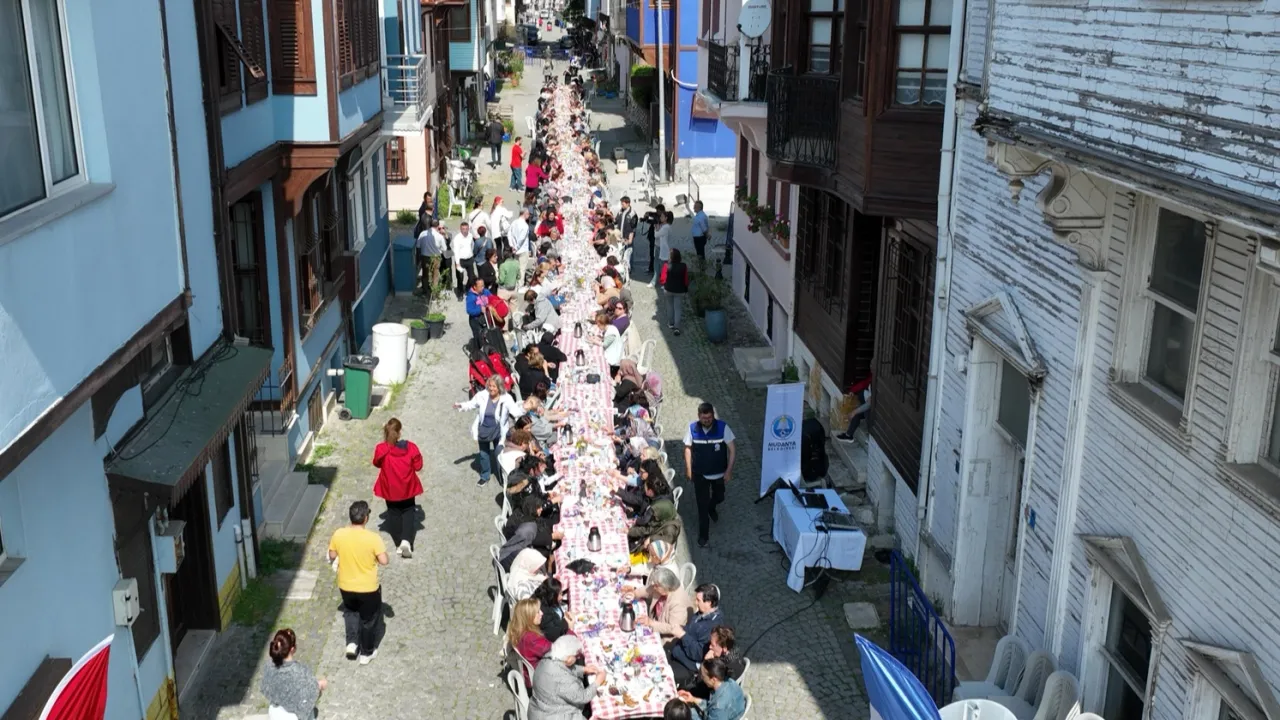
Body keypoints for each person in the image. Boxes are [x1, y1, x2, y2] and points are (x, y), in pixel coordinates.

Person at [327, 501, 389, 664]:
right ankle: (366, 653)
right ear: (366, 518)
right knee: (368, 619)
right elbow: (384, 561)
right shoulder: (373, 538)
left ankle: (352, 643)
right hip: (368, 588)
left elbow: (332, 555)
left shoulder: (339, 534)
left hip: (345, 585)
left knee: (351, 612)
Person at [683, 402, 735, 547]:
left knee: (720, 497)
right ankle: (703, 535)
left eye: (709, 417)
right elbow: (687, 448)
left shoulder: (723, 428)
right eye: (704, 418)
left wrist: (729, 471)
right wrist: (688, 469)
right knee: (702, 505)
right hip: (700, 474)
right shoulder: (692, 428)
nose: (707, 420)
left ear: (713, 415)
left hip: (719, 473)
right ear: (698, 416)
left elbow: (732, 450)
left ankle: (712, 506)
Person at [371, 418, 424, 558]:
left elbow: (376, 463)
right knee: (408, 511)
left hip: (390, 489)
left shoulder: (381, 449)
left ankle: (398, 543)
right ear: (399, 433)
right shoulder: (411, 447)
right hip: (407, 487)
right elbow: (418, 466)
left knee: (393, 513)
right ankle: (406, 541)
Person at [456, 376, 523, 486]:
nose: (491, 388)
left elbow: (516, 411)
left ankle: (502, 476)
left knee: (500, 454)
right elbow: (471, 404)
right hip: (484, 429)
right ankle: (485, 476)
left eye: (494, 386)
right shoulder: (482, 395)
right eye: (489, 386)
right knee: (484, 454)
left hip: (498, 431)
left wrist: (526, 407)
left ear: (499, 387)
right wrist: (461, 405)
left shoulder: (507, 398)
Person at [527, 635, 606, 720]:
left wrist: (583, 669)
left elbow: (564, 667)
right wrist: (598, 681)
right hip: (555, 715)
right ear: (568, 659)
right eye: (576, 656)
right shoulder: (562, 679)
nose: (577, 658)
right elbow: (582, 697)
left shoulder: (548, 659)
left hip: (540, 708)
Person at [667, 584, 725, 686]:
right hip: (679, 652)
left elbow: (698, 653)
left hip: (688, 666)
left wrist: (683, 635)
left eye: (698, 600)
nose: (695, 603)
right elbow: (692, 630)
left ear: (709, 603)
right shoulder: (702, 613)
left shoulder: (711, 627)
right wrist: (682, 628)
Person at [261, 629, 325, 720]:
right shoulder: (300, 671)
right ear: (293, 649)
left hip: (274, 713)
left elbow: (266, 688)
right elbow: (312, 693)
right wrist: (320, 685)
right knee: (309, 710)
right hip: (293, 717)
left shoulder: (269, 666)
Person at [684, 626, 747, 699]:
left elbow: (703, 686)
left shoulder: (725, 669)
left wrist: (706, 663)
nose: (710, 647)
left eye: (713, 645)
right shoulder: (732, 653)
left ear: (724, 648)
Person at [634, 566, 693, 642]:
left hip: (669, 638)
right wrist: (634, 593)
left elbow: (673, 628)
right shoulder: (662, 587)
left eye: (656, 586)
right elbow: (648, 589)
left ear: (666, 588)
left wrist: (651, 623)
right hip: (656, 623)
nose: (654, 587)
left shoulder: (678, 603)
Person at [677, 656, 746, 720]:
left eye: (703, 676)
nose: (702, 678)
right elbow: (711, 705)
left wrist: (687, 712)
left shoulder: (719, 705)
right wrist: (693, 699)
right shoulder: (729, 681)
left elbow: (715, 707)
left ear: (713, 679)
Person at [508, 597, 551, 684]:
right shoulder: (533, 639)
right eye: (538, 612)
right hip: (538, 677)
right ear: (529, 617)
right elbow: (556, 651)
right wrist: (570, 629)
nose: (542, 613)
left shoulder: (518, 629)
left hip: (527, 671)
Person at [532, 577, 572, 642]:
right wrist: (567, 624)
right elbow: (554, 635)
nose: (562, 597)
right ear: (552, 596)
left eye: (561, 593)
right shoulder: (542, 614)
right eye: (559, 594)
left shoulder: (547, 598)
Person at [662, 249, 691, 336]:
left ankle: (671, 323)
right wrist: (686, 288)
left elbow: (662, 279)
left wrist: (664, 284)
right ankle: (677, 327)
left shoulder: (666, 265)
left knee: (670, 306)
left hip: (668, 289)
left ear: (670, 257)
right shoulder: (683, 266)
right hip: (679, 290)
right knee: (678, 308)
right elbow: (686, 280)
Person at [837, 374, 873, 442]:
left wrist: (854, 412)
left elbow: (870, 403)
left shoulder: (879, 384)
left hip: (874, 410)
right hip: (868, 403)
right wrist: (852, 390)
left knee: (865, 412)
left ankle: (870, 437)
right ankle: (848, 435)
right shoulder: (872, 377)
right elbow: (863, 383)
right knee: (857, 414)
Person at [415, 221, 443, 297]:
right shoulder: (439, 236)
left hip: (425, 257)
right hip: (436, 258)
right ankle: (434, 293)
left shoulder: (422, 234)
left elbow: (418, 246)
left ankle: (425, 291)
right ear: (438, 226)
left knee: (425, 274)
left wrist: (418, 258)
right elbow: (444, 248)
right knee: (435, 275)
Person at [594, 310, 624, 377]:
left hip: (614, 357)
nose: (598, 327)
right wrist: (600, 338)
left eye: (599, 325)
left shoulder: (611, 332)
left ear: (603, 324)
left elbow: (605, 345)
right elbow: (607, 340)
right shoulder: (609, 328)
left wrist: (595, 341)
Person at [451, 221, 475, 301]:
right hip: (460, 260)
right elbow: (456, 251)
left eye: (466, 229)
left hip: (469, 259)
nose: (465, 230)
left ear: (468, 229)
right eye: (463, 229)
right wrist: (457, 263)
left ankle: (467, 288)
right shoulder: (457, 238)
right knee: (460, 278)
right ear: (460, 229)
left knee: (471, 277)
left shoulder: (470, 236)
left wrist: (471, 254)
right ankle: (460, 293)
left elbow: (472, 245)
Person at [464, 276, 492, 344]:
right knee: (479, 338)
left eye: (483, 285)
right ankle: (477, 348)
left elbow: (492, 298)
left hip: (485, 318)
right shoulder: (470, 297)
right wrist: (479, 309)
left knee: (488, 336)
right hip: (475, 320)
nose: (483, 288)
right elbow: (469, 310)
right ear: (475, 287)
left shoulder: (486, 292)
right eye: (481, 286)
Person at [511, 207, 533, 282]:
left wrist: (512, 246)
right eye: (528, 214)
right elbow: (522, 238)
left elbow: (510, 234)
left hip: (515, 249)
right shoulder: (525, 225)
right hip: (522, 249)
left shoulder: (514, 222)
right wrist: (516, 247)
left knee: (516, 268)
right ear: (524, 214)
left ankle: (515, 283)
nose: (529, 215)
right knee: (522, 269)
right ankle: (520, 285)